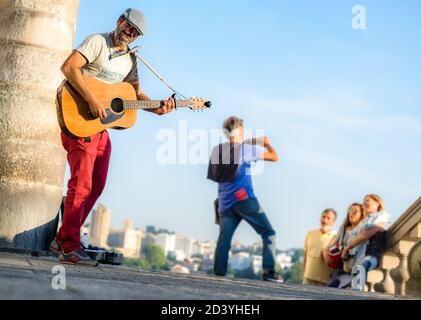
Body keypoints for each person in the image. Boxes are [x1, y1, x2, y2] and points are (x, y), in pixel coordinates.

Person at [50, 8, 175, 266]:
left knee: (96, 186)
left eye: (135, 33)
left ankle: (62, 239)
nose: (129, 34)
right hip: (79, 121)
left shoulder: (130, 60)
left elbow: (134, 96)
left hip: (101, 128)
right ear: (119, 21)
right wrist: (92, 98)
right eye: (128, 27)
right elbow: (69, 67)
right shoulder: (97, 41)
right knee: (81, 186)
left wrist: (157, 107)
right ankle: (70, 249)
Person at [208, 116, 281, 282]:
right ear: (240, 131)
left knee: (223, 242)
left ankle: (219, 275)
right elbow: (275, 157)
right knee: (268, 233)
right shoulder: (245, 150)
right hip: (244, 200)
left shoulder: (217, 151)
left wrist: (251, 141)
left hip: (225, 203)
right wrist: (266, 143)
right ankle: (268, 272)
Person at [341, 194, 391, 290]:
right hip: (360, 256)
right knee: (356, 284)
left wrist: (348, 247)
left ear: (377, 202)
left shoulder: (383, 217)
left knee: (359, 276)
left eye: (367, 200)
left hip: (371, 255)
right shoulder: (364, 222)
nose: (364, 203)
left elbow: (364, 236)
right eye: (363, 202)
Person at [325, 203, 364, 289]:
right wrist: (327, 253)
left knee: (337, 287)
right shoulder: (343, 228)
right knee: (330, 289)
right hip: (339, 267)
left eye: (355, 211)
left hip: (352, 269)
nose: (351, 213)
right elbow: (333, 243)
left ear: (362, 214)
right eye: (350, 210)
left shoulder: (363, 230)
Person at [303, 209, 337, 286]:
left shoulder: (335, 237)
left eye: (328, 218)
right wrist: (304, 273)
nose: (325, 220)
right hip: (308, 279)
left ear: (334, 222)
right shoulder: (310, 234)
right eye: (323, 217)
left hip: (325, 281)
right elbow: (305, 255)